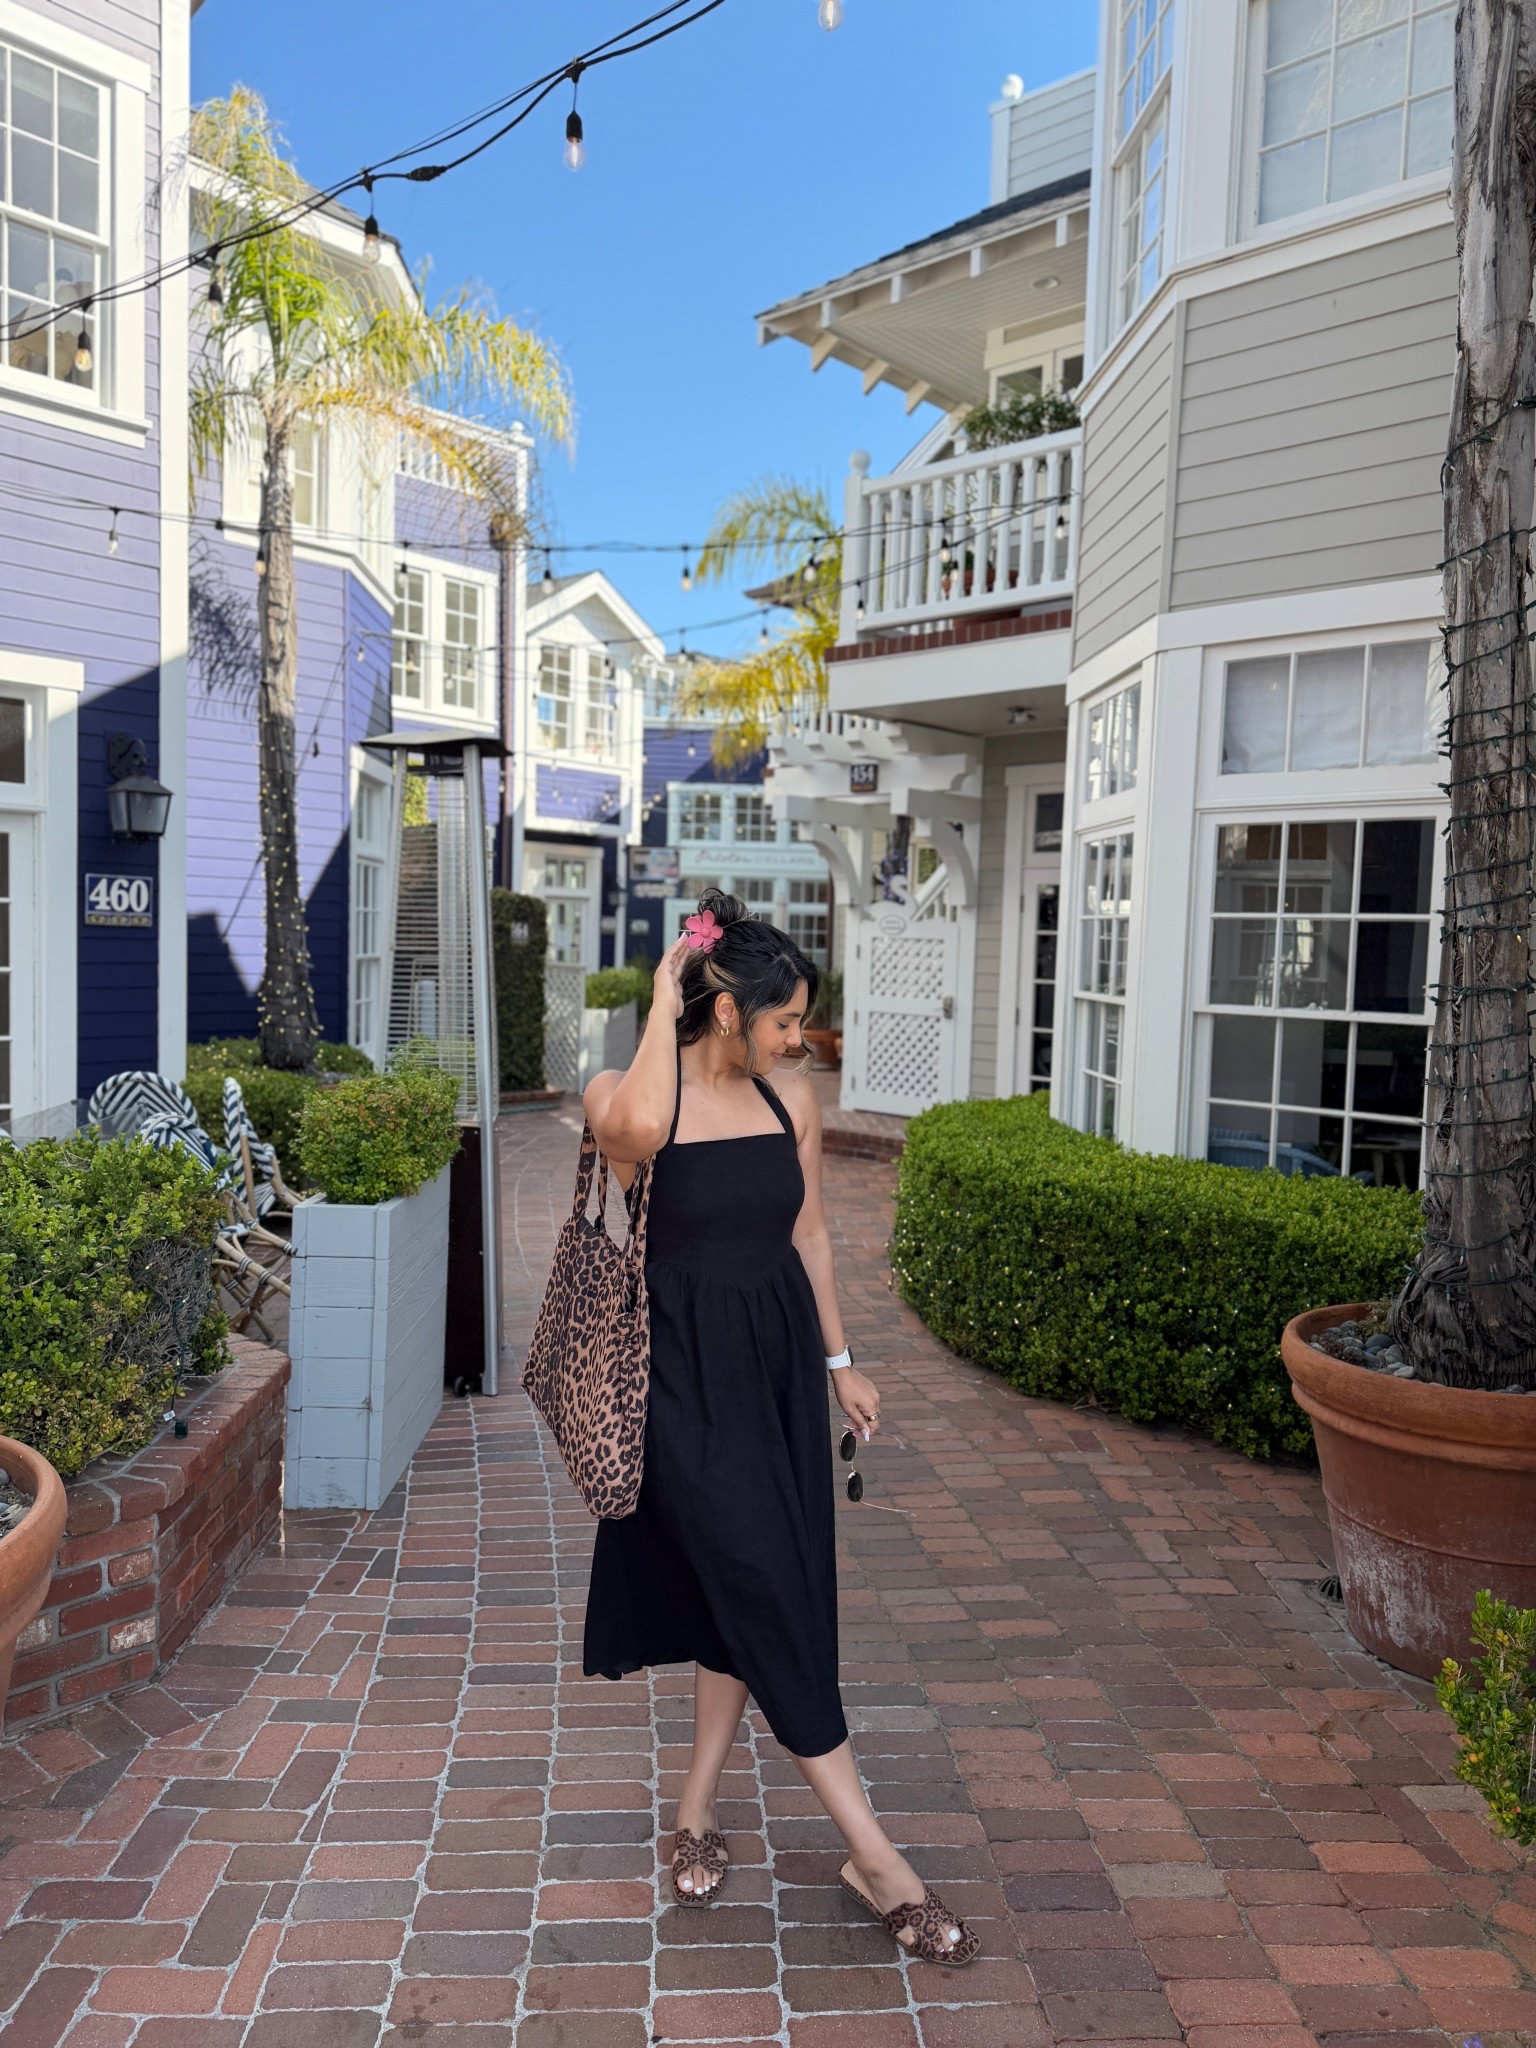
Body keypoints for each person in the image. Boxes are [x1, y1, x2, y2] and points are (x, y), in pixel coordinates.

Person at [579, 890, 979, 1967]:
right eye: (784, 1018)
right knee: (764, 1582)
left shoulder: (789, 1100)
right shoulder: (627, 1094)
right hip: (675, 1381)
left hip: (775, 1372)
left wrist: (840, 1363)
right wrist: (665, 997)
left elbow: (808, 1234)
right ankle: (876, 1856)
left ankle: (697, 1806)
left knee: (747, 1588)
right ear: (725, 1013)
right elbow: (626, 1137)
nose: (800, 1038)